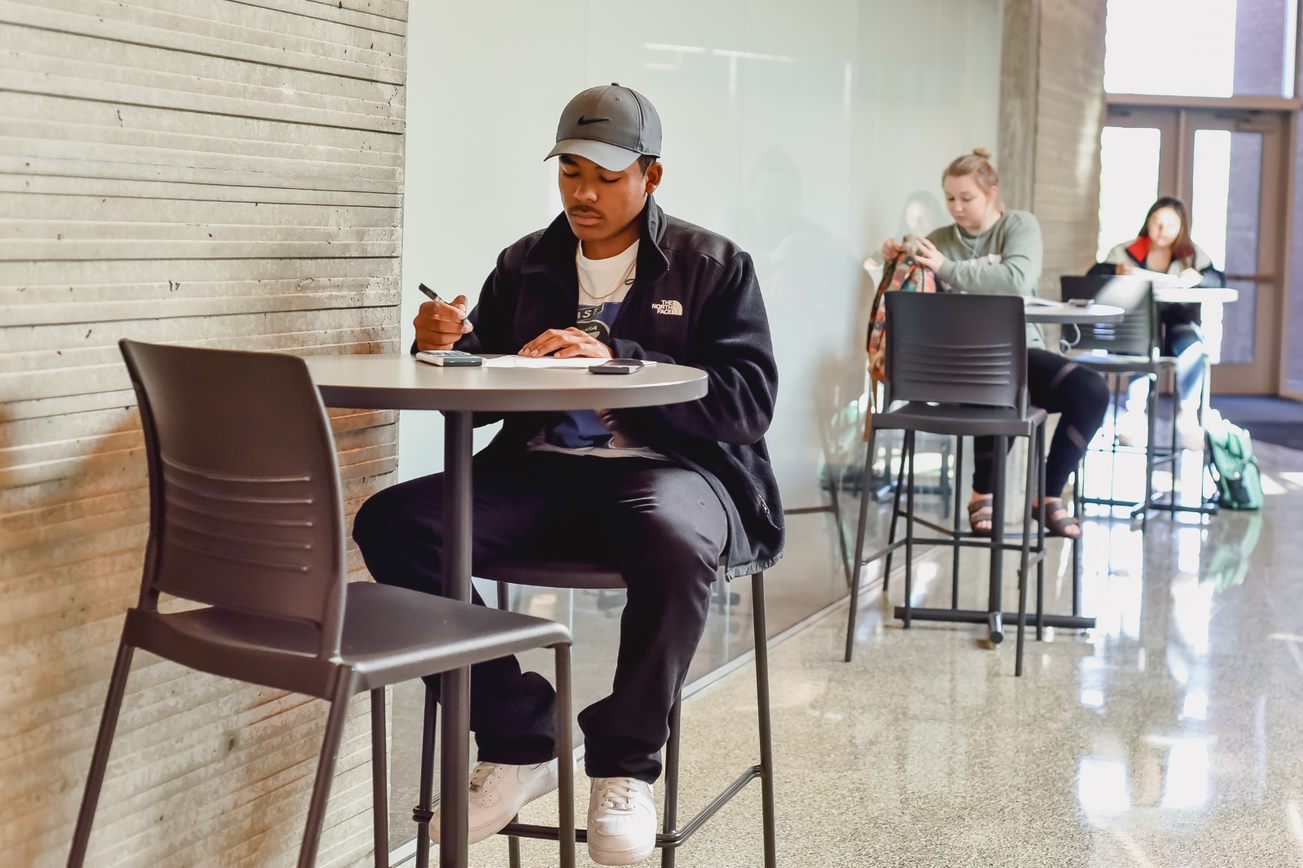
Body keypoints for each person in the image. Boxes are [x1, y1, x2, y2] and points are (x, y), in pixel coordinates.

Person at [351, 83, 781, 866]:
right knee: (393, 523)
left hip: (672, 471)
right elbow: (480, 396)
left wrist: (621, 361)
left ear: (651, 177)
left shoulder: (712, 265)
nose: (583, 193)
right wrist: (444, 344)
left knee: (672, 538)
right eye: (570, 172)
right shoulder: (525, 263)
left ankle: (623, 768)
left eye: (605, 177)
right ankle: (518, 741)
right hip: (542, 474)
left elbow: (749, 404)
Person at [880, 148, 1109, 539]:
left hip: (1021, 356)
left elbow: (1017, 279)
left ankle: (1048, 495)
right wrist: (892, 258)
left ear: (991, 193)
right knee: (989, 377)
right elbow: (904, 284)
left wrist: (947, 269)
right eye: (950, 198)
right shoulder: (938, 240)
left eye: (967, 198)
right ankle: (981, 491)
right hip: (959, 366)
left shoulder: (1019, 227)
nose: (956, 207)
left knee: (1090, 391)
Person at [1090, 196, 1225, 449]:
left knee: (1193, 348)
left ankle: (1187, 413)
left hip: (1177, 325)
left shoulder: (1191, 255)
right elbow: (1093, 276)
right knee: (1140, 344)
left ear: (1181, 227)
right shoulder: (1127, 252)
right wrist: (1115, 272)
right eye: (1156, 222)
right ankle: (1134, 414)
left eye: (1170, 225)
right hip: (1136, 327)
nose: (1162, 231)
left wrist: (1198, 277)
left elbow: (1218, 279)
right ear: (1148, 223)